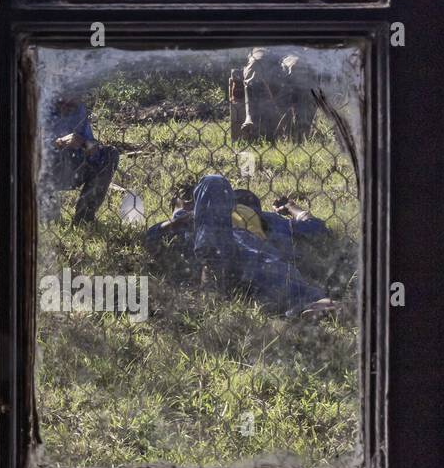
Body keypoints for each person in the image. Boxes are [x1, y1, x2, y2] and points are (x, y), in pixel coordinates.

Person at [144, 174, 336, 318]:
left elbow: (316, 229)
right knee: (213, 181)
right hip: (214, 249)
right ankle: (213, 273)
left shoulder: (268, 219)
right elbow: (152, 236)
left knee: (274, 271)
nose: (241, 198)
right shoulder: (203, 214)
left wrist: (289, 207)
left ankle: (319, 306)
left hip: (255, 258)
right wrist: (179, 215)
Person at [42, 93, 119, 225]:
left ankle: (84, 217)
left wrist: (86, 144)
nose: (74, 100)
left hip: (75, 168)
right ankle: (48, 217)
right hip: (46, 171)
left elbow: (92, 147)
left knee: (110, 154)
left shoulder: (78, 109)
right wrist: (59, 142)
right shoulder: (39, 107)